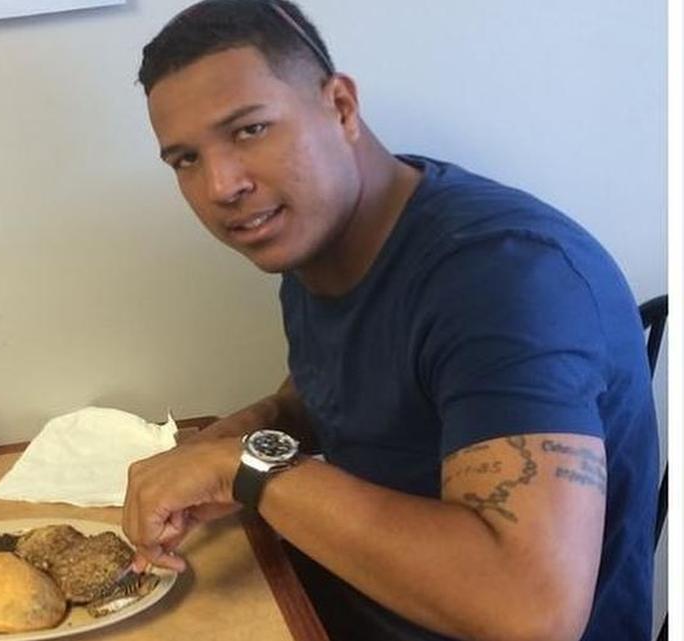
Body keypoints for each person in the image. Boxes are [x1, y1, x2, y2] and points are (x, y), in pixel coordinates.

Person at [120, 2, 659, 641]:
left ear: (340, 107)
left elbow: (530, 613)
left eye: (250, 130)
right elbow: (351, 380)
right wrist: (258, 427)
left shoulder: (506, 280)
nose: (221, 186)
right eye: (185, 159)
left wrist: (245, 468)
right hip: (349, 603)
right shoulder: (317, 234)